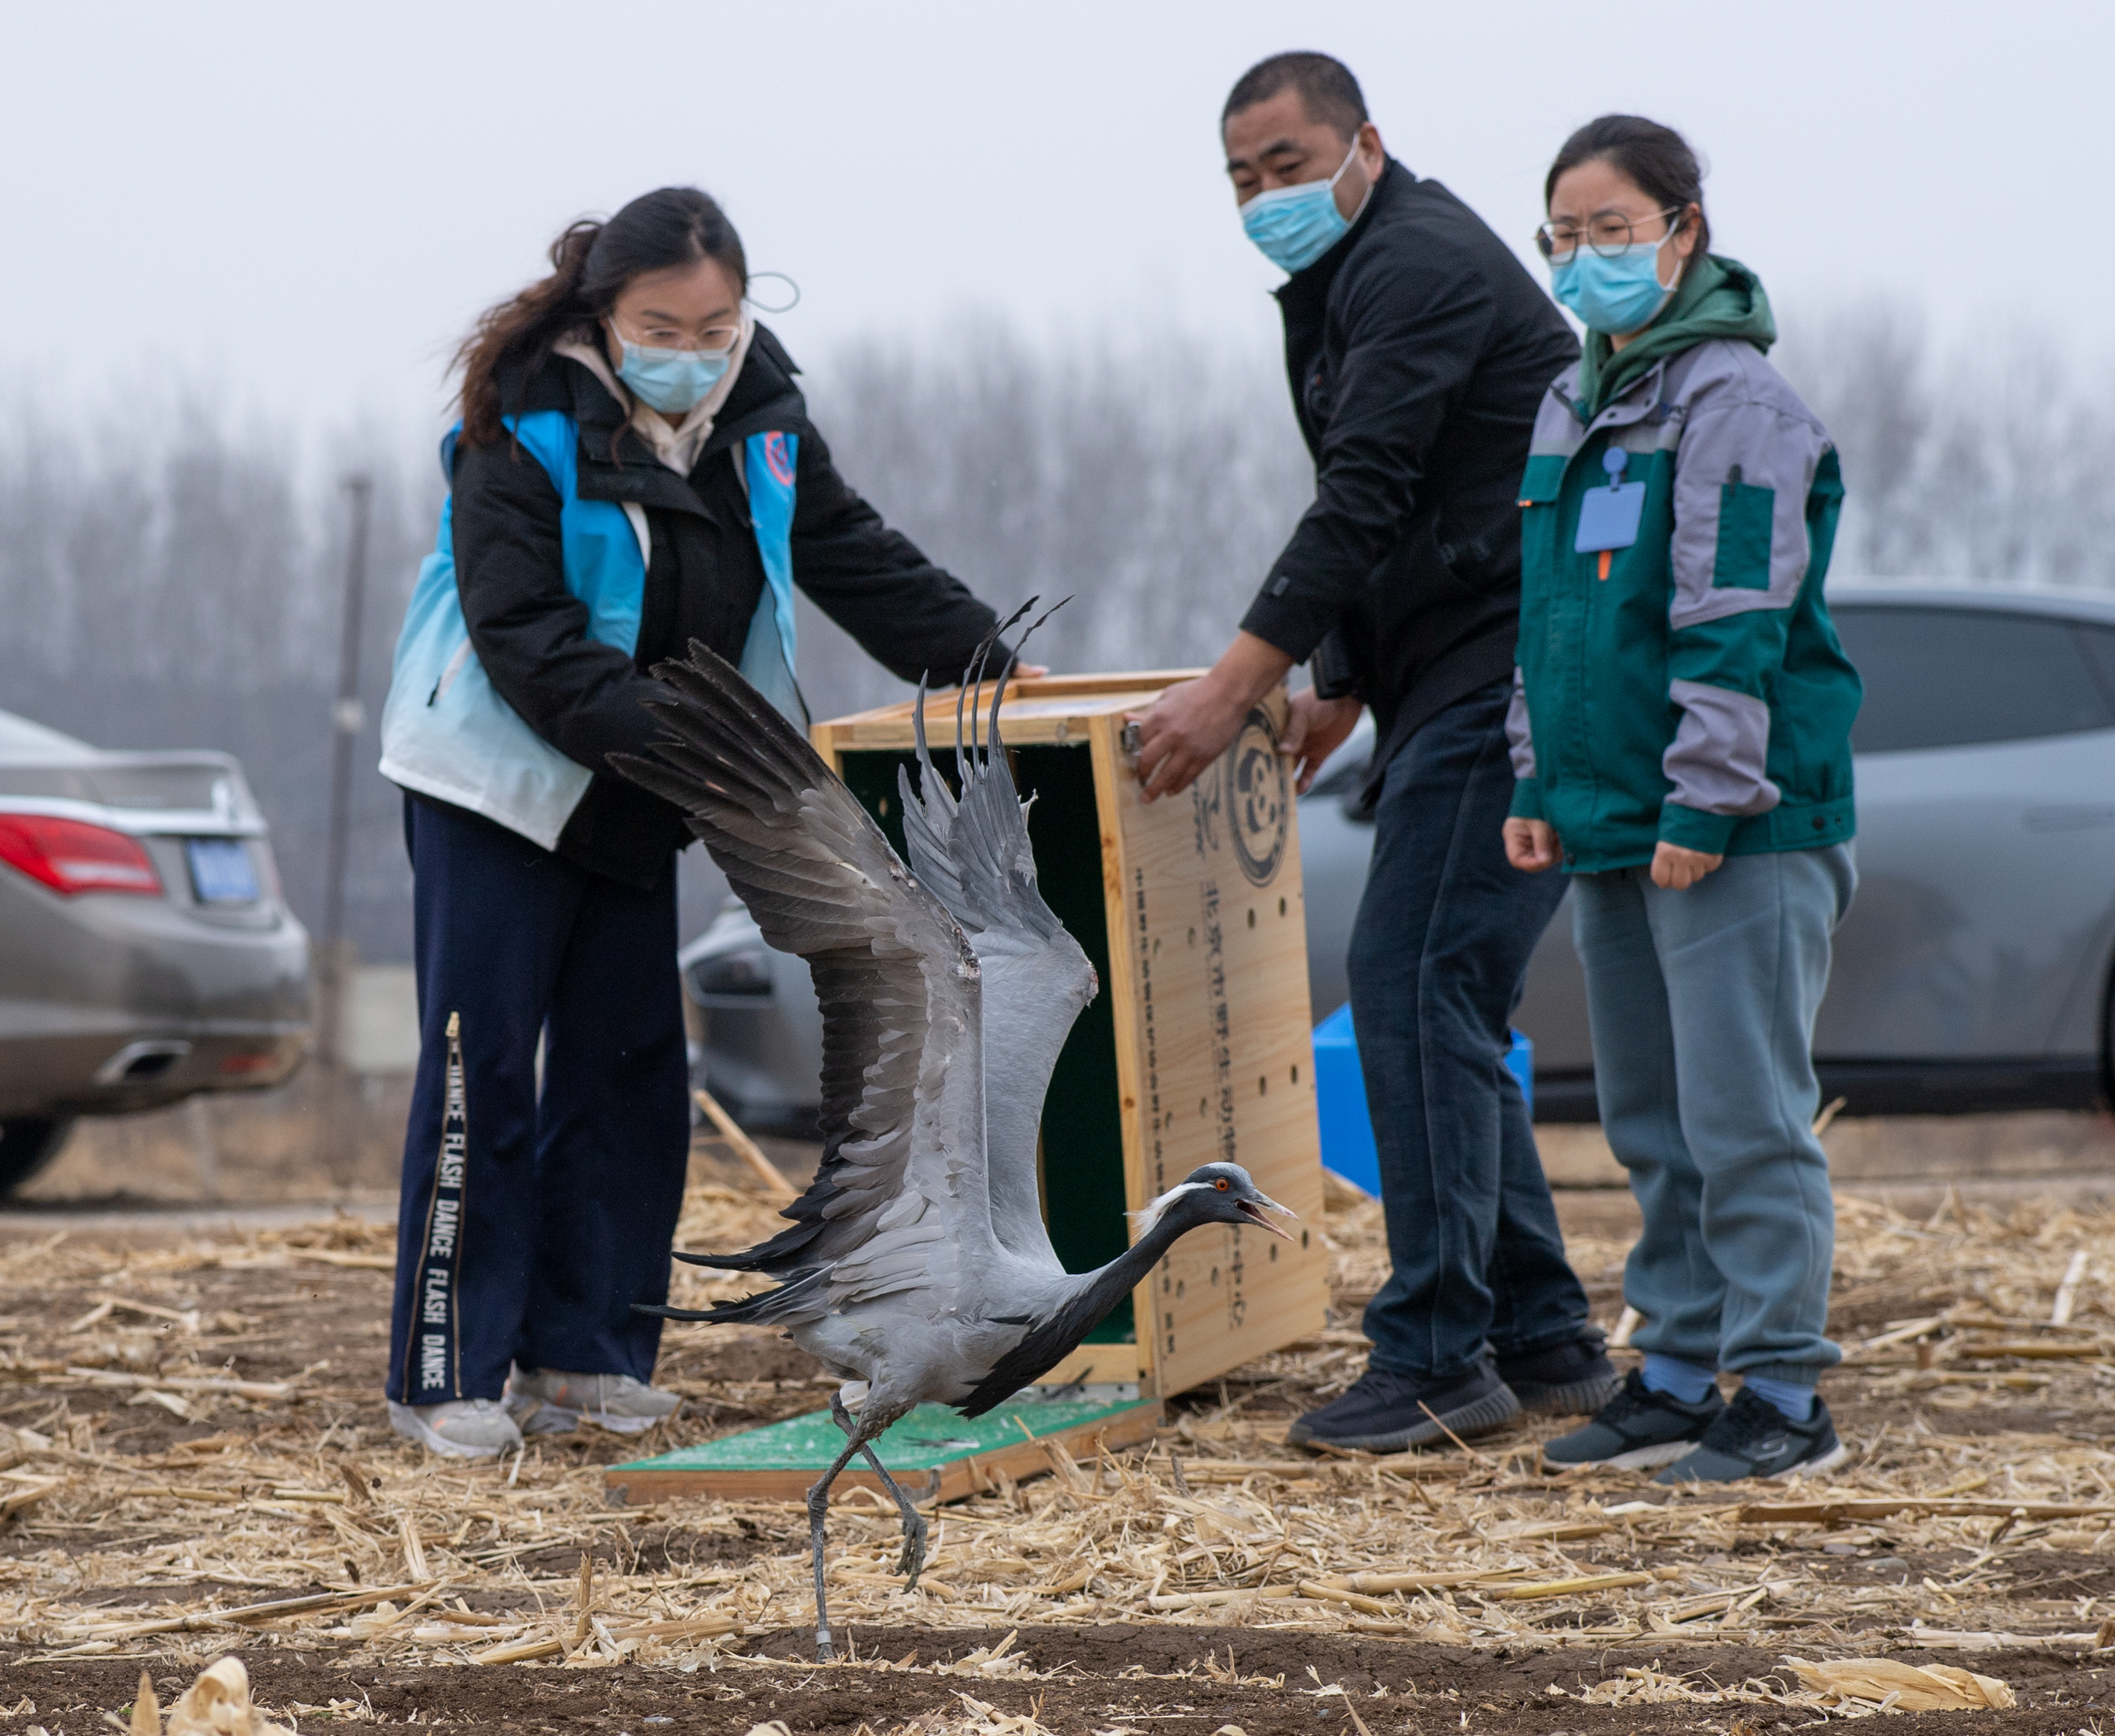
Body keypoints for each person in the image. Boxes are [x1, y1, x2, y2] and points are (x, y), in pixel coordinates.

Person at [375, 187, 1021, 1458]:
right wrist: (698, 753)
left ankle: (586, 1358)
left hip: (652, 776)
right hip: (497, 775)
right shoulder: (522, 417)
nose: (693, 350)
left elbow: (852, 553)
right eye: (660, 326)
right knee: (483, 1071)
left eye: (716, 326)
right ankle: (445, 1371)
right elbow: (525, 637)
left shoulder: (762, 416)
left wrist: (990, 662)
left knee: (627, 1071)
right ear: (603, 317)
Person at [1129, 52, 1615, 1454]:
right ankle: (1537, 1332)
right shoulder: (1347, 278)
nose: (1264, 197)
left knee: (1414, 987)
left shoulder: (1415, 265)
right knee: (1439, 999)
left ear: (1363, 146)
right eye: (1240, 179)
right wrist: (1341, 673)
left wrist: (1242, 681)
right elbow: (1394, 495)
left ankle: (1434, 1356)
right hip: (1449, 666)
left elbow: (1365, 491)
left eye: (1287, 166)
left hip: (1509, 669)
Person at [1502, 117, 1861, 1483]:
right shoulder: (1573, 401)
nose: (1585, 258)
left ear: (1681, 231)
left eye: (1612, 231)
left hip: (1736, 825)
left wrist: (1702, 806)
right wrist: (1538, 774)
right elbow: (1547, 615)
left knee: (1744, 1117)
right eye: (1564, 235)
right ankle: (1671, 1371)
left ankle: (1780, 1395)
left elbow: (1734, 621)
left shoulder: (1738, 408)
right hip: (1608, 818)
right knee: (1650, 1116)